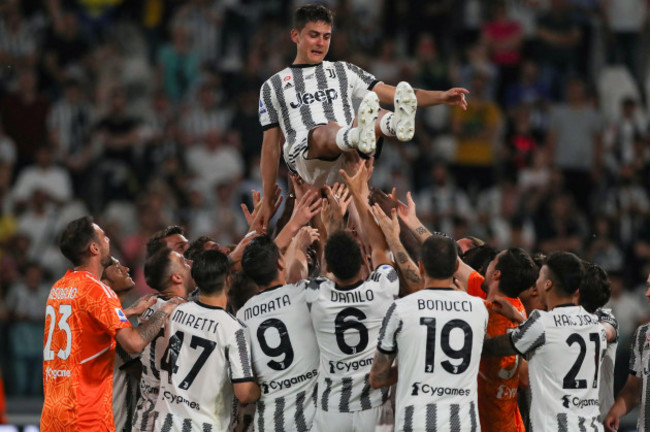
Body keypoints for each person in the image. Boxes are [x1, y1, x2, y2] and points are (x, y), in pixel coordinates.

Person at [258, 4, 469, 225]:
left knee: (375, 112)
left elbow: (396, 94)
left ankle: (394, 123)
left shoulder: (343, 71)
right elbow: (270, 146)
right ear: (295, 35)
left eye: (326, 36)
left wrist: (441, 97)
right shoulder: (273, 86)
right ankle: (359, 135)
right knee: (326, 130)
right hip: (309, 161)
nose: (321, 42)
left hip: (348, 161)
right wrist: (267, 197)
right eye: (314, 35)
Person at [41, 216, 181, 431]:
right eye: (104, 237)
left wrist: (128, 312)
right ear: (94, 248)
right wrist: (164, 311)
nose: (109, 241)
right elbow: (133, 343)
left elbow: (83, 333)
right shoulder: (98, 291)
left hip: (54, 414)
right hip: (86, 416)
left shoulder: (59, 287)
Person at [303, 161, 399, 431]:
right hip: (375, 410)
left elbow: (325, 270)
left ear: (330, 266)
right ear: (362, 261)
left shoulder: (315, 297)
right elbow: (379, 246)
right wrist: (359, 190)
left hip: (332, 409)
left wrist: (331, 224)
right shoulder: (381, 288)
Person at [370, 233, 488, 431]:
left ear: (421, 266)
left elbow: (377, 378)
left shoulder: (401, 308)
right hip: (463, 424)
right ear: (456, 267)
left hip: (415, 422)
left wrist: (413, 365)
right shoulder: (479, 308)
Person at [483, 252, 607, 432]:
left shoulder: (542, 323)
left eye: (540, 277)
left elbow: (494, 348)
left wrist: (476, 325)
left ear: (548, 284)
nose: (536, 284)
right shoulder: (595, 326)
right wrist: (518, 317)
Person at [154, 249, 260, 430]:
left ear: (195, 280)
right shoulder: (234, 329)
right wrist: (264, 386)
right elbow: (244, 394)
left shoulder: (176, 312)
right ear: (228, 279)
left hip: (166, 424)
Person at [238, 234, 320, 431]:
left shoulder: (241, 317)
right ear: (280, 263)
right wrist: (301, 245)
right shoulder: (305, 293)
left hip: (269, 423)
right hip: (311, 421)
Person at [131, 246, 196, 432]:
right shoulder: (187, 312)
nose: (190, 263)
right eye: (184, 262)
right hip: (174, 415)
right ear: (176, 277)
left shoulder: (146, 306)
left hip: (144, 414)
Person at [478, 248, 538, 432]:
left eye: (493, 260)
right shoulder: (518, 308)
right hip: (512, 425)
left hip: (488, 424)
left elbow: (524, 378)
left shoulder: (482, 312)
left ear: (496, 273)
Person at [603, 272, 650, 432]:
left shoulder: (630, 302)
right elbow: (632, 390)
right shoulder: (643, 335)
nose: (647, 293)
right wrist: (614, 412)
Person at [101, 257, 143, 432]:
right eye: (116, 267)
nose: (125, 268)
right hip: (114, 422)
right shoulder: (110, 323)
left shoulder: (113, 313)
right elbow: (138, 366)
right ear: (104, 282)